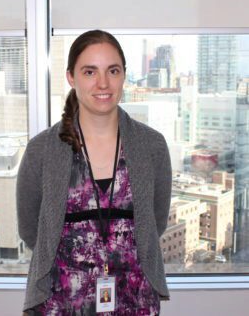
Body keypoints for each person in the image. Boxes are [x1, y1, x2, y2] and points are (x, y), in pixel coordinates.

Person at [17, 30, 172, 315]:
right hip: (59, 303)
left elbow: (156, 222)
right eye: (90, 72)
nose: (103, 83)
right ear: (71, 77)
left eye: (112, 71)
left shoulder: (152, 147)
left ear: (124, 75)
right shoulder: (41, 150)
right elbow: (30, 230)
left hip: (135, 302)